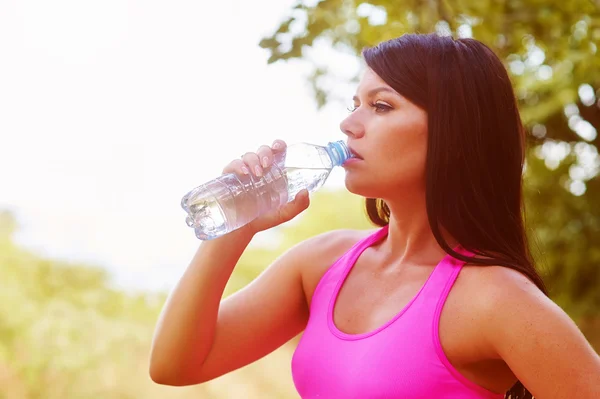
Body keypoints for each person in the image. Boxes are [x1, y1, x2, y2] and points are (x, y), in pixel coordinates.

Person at [149, 33, 600, 398]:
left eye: (381, 105)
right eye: (355, 104)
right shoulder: (322, 264)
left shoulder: (496, 299)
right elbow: (176, 365)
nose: (349, 124)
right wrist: (236, 224)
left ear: (456, 134)